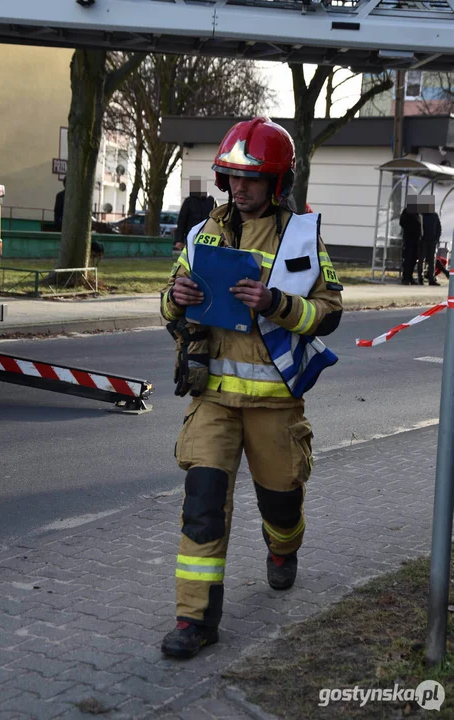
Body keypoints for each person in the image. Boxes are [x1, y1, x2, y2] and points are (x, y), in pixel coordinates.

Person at [159, 117, 343, 659]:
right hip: (212, 398)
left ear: (277, 182)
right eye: (232, 177)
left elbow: (329, 312)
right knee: (202, 507)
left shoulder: (302, 236)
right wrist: (179, 296)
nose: (240, 188)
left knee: (281, 506)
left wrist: (277, 304)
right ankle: (195, 621)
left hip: (274, 406)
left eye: (253, 179)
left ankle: (283, 551)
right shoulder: (202, 234)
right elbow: (167, 308)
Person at [173, 177, 216, 251]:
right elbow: (182, 222)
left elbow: (216, 219)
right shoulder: (189, 201)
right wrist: (179, 240)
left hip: (207, 236)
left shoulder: (211, 201)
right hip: (192, 236)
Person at [418, 199, 442, 286]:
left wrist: (436, 238)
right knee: (422, 259)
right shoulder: (421, 215)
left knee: (432, 261)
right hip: (423, 241)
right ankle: (420, 278)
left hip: (432, 241)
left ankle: (431, 278)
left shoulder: (434, 215)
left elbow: (438, 228)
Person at [399, 196, 422, 285]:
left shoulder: (417, 213)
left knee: (413, 259)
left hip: (416, 239)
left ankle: (410, 277)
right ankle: (405, 278)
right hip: (409, 239)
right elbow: (402, 222)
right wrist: (409, 229)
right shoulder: (407, 211)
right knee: (408, 259)